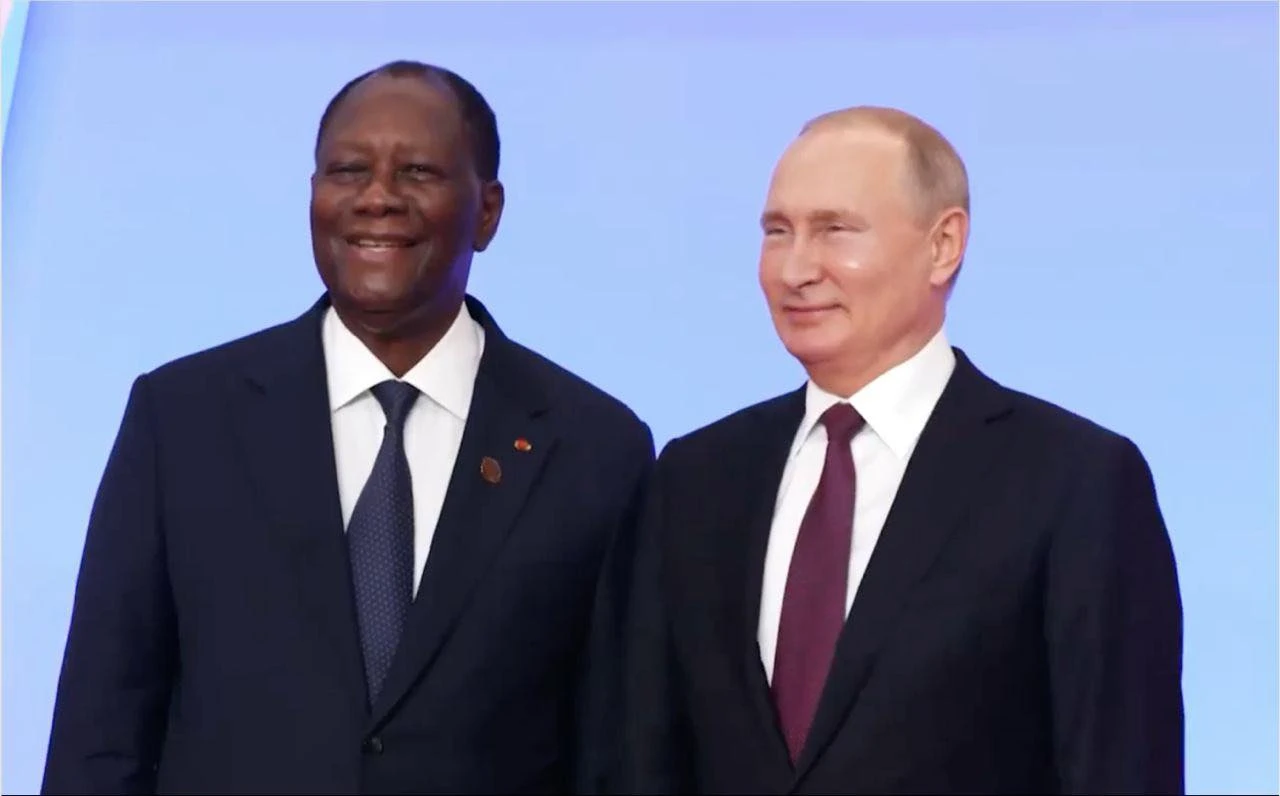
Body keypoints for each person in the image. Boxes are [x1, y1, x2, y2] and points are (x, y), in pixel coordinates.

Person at [42, 60, 653, 794]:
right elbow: (100, 733)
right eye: (348, 171)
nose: (378, 197)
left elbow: (618, 749)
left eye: (418, 172)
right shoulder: (181, 419)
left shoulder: (594, 447)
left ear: (488, 211)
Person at [618, 106, 1184, 794]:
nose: (795, 269)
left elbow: (1120, 768)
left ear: (944, 245)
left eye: (835, 230)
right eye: (777, 232)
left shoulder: (1073, 482)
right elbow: (643, 756)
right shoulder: (697, 478)